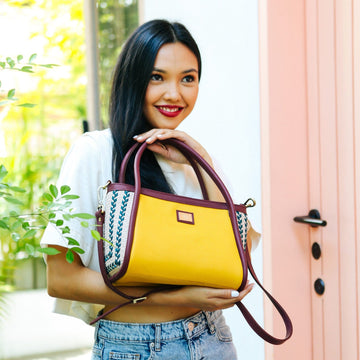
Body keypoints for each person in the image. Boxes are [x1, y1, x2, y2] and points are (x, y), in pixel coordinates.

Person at [41, 19, 256, 359]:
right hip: (133, 346)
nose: (175, 93)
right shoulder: (95, 152)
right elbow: (62, 280)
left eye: (188, 78)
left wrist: (202, 162)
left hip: (211, 337)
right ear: (133, 79)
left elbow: (237, 257)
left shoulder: (195, 161)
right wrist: (174, 297)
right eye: (157, 77)